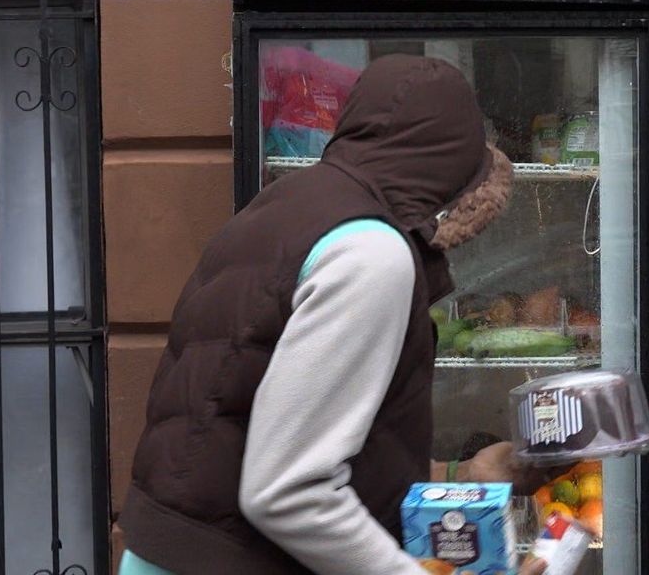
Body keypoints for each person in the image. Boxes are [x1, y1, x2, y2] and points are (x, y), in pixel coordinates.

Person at [118, 54, 546, 574]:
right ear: (453, 169)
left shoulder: (280, 208)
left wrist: (462, 475)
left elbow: (250, 424)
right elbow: (288, 492)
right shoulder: (372, 252)